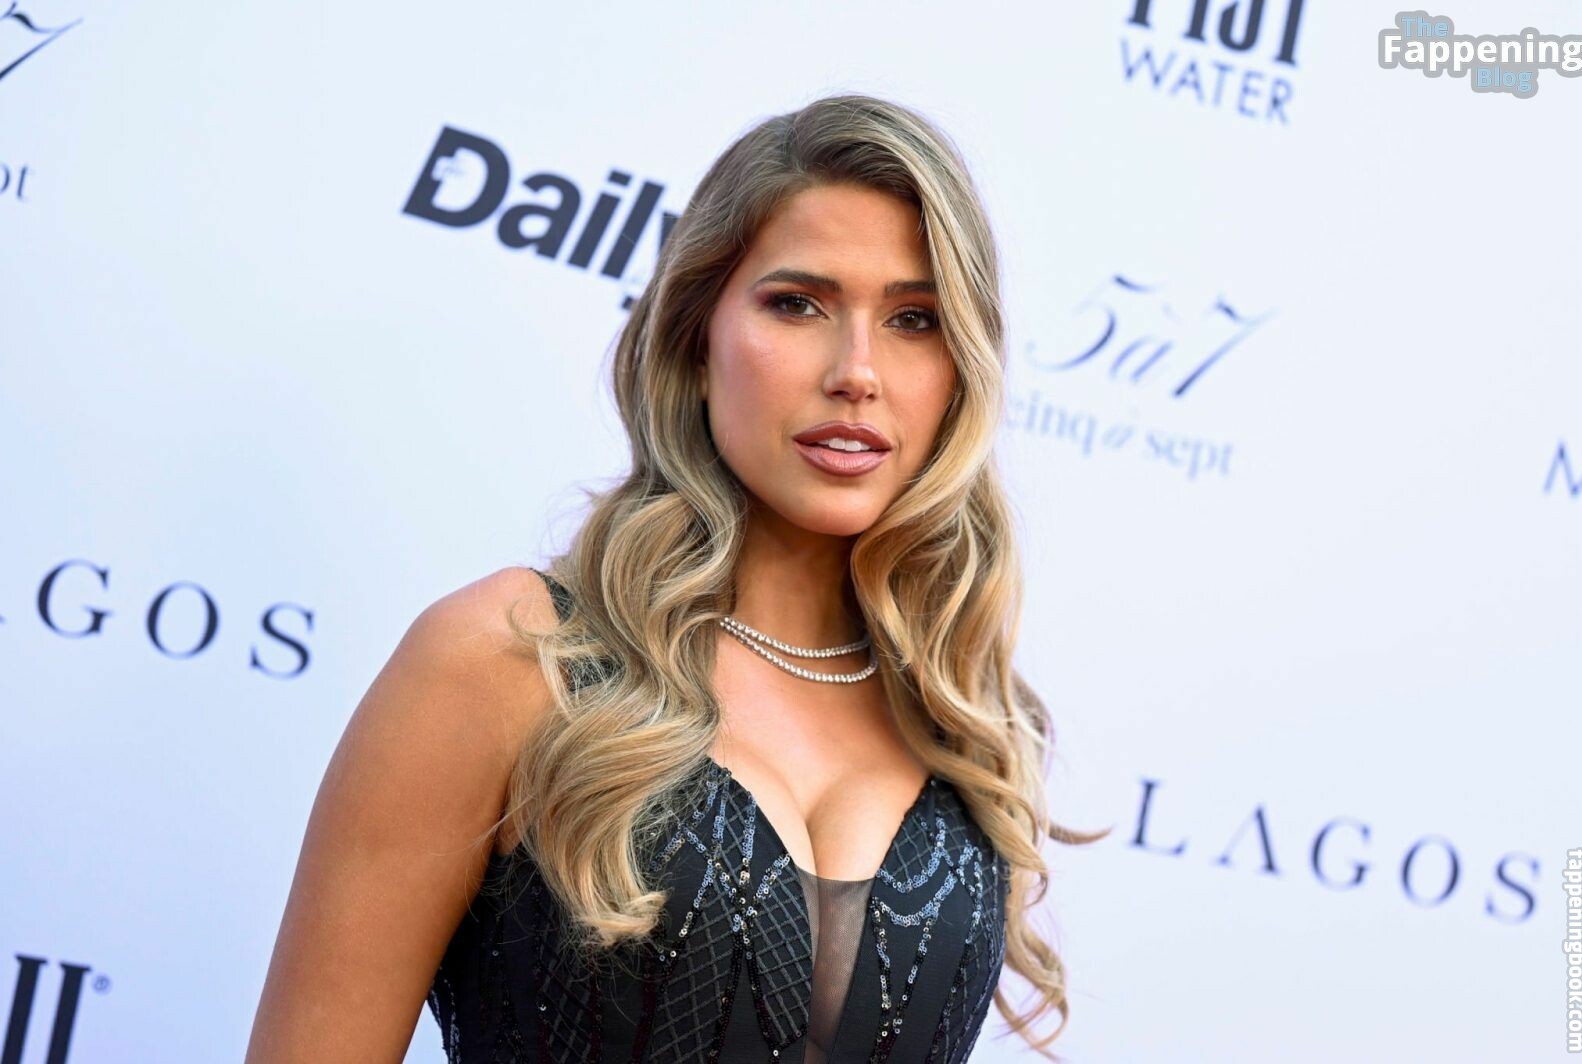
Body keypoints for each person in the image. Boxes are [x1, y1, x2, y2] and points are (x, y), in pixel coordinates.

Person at [245, 92, 1105, 1064]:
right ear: (697, 336)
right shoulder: (513, 659)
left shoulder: (964, 719)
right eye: (798, 303)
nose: (858, 371)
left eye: (915, 318)